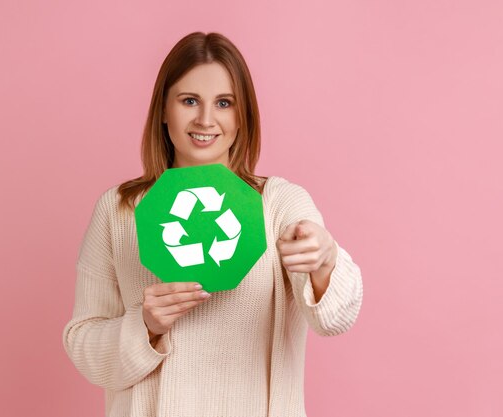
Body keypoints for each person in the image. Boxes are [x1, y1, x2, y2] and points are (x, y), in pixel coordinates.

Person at [62, 31, 363, 417]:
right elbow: (84, 345)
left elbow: (336, 319)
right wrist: (146, 325)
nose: (206, 119)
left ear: (243, 115)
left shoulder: (279, 204)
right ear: (164, 110)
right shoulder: (118, 211)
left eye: (224, 103)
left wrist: (324, 261)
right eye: (189, 100)